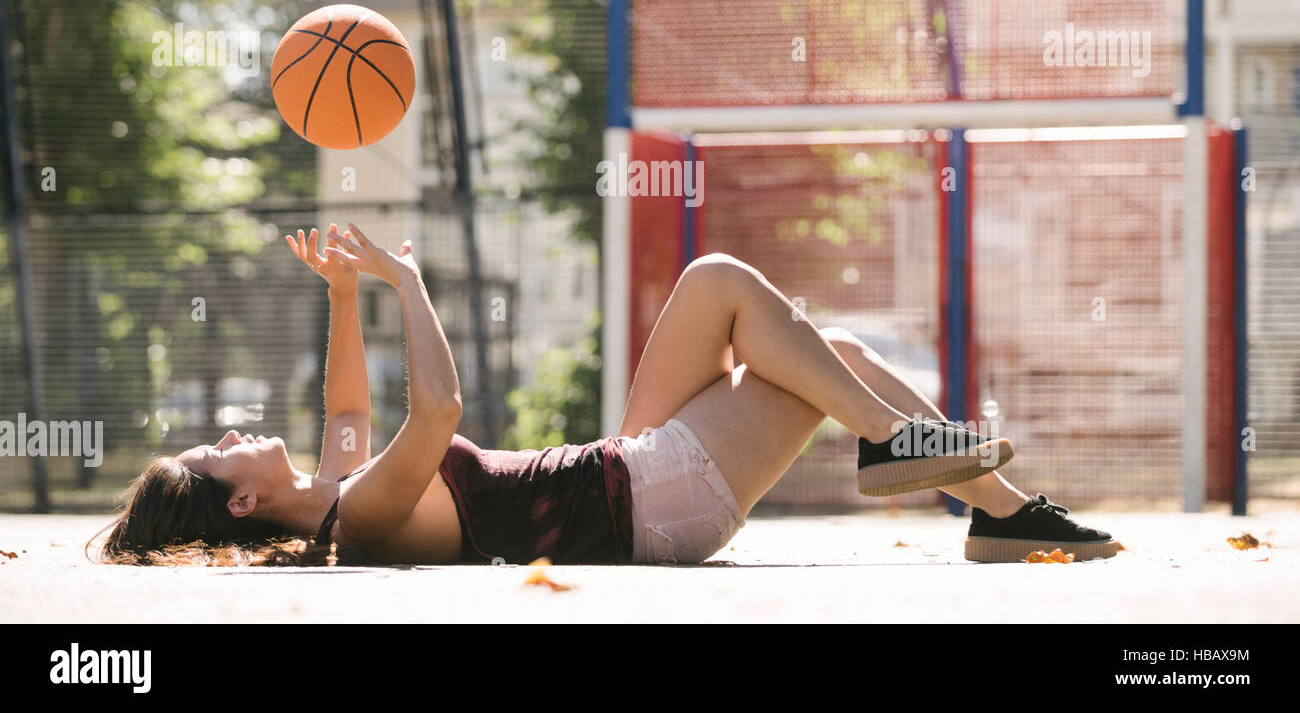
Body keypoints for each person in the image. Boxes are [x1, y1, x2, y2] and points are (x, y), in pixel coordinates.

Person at [94, 223, 1116, 567]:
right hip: (648, 505)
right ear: (237, 500)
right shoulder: (356, 518)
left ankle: (976, 505)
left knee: (825, 347)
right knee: (722, 280)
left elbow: (351, 401)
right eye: (216, 447)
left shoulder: (336, 490)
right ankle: (942, 471)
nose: (230, 430)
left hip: (621, 478)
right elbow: (437, 414)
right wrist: (407, 282)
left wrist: (342, 294)